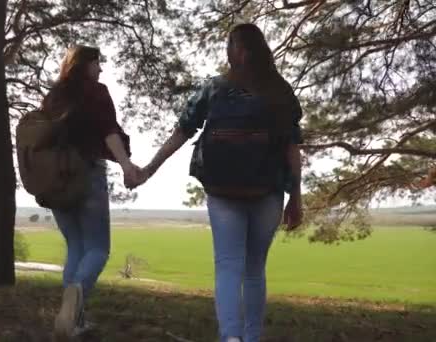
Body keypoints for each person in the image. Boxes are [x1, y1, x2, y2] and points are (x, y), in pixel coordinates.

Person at [130, 23, 303, 342]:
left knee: (227, 266)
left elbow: (182, 132)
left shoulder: (214, 88)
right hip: (267, 191)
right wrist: (296, 197)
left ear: (237, 51)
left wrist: (151, 168)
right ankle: (251, 338)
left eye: (230, 45)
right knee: (254, 269)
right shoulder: (280, 92)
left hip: (222, 191)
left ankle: (231, 338)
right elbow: (292, 147)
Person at [41, 45, 140, 340]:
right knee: (98, 248)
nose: (100, 69)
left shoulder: (54, 96)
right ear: (86, 64)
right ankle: (76, 299)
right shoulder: (96, 92)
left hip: (57, 178)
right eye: (98, 63)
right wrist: (126, 166)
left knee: (75, 246)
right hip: (87, 174)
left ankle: (72, 321)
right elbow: (109, 131)